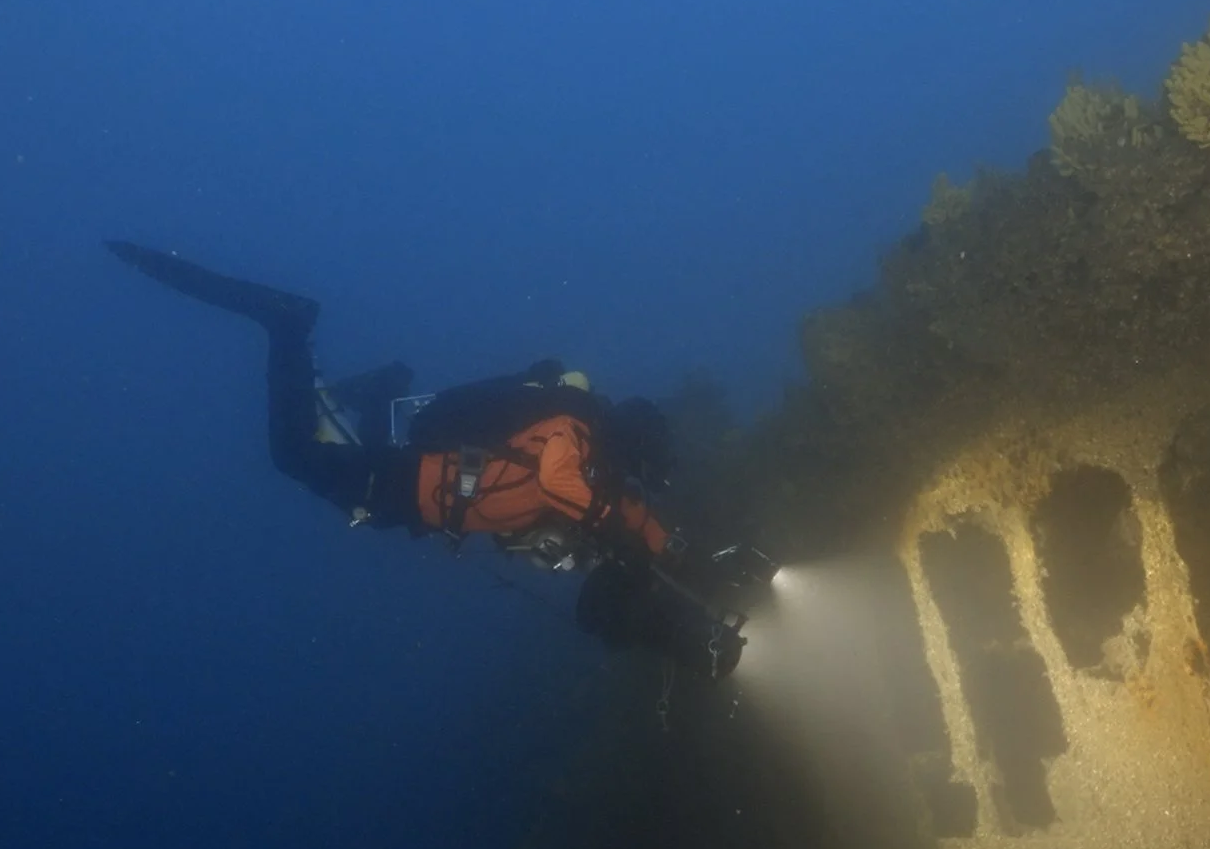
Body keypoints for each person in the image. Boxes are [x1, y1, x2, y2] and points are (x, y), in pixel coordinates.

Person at [107, 240, 741, 677]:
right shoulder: (575, 428)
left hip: (414, 497)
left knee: (334, 461)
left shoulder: (602, 474)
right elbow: (557, 479)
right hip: (411, 483)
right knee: (294, 456)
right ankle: (288, 325)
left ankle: (378, 386)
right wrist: (607, 525)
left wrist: (682, 559)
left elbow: (636, 522)